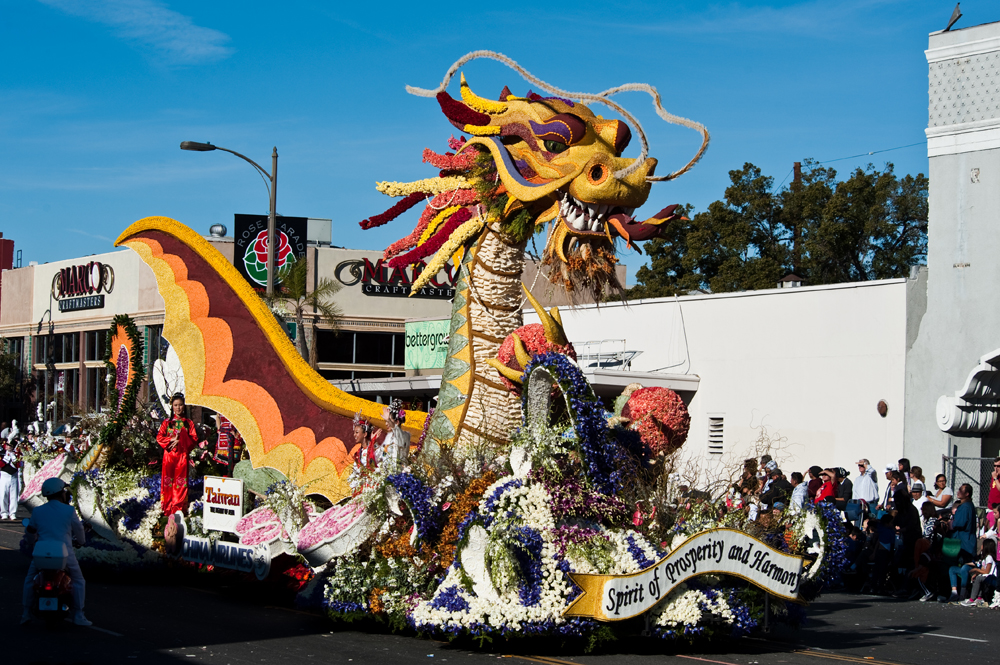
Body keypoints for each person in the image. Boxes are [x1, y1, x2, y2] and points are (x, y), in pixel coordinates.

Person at [21, 478, 90, 626]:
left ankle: (26, 613)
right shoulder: (69, 510)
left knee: (29, 579)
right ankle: (78, 614)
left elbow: (30, 531)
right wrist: (82, 542)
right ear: (60, 492)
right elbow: (78, 529)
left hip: (41, 553)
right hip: (64, 554)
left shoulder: (38, 511)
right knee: (78, 580)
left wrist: (31, 542)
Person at [155, 393, 200, 516]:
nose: (178, 408)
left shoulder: (188, 423)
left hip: (182, 456)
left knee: (181, 482)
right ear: (172, 407)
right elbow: (159, 437)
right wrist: (170, 440)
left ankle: (178, 508)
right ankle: (167, 507)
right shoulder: (167, 422)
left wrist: (181, 438)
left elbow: (194, 439)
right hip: (169, 457)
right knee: (168, 481)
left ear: (184, 406)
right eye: (175, 405)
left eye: (180, 405)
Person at [950, 538, 996, 604]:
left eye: (982, 545)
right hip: (985, 575)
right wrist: (976, 573)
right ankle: (979, 597)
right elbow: (982, 570)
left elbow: (987, 572)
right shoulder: (984, 558)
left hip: (991, 576)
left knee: (979, 579)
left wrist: (976, 570)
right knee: (977, 577)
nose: (981, 546)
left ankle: (972, 599)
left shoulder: (989, 557)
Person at [378, 399, 410, 472]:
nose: (386, 424)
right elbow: (381, 453)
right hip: (387, 473)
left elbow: (396, 430)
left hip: (399, 474)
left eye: (389, 421)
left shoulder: (404, 436)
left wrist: (389, 420)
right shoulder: (389, 436)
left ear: (397, 422)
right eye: (386, 421)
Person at [948, 483, 978, 563]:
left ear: (967, 494)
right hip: (966, 542)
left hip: (965, 544)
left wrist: (952, 524)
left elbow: (961, 523)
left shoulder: (965, 507)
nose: (958, 492)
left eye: (961, 490)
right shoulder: (968, 505)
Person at [0, 440, 18, 520]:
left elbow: (18, 464)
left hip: (14, 476)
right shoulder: (2, 453)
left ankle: (12, 513)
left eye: (9, 445)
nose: (8, 447)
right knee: (3, 495)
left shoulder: (17, 453)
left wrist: (14, 458)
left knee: (14, 496)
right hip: (4, 476)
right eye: (7, 445)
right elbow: (1, 464)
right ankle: (4, 512)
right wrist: (6, 458)